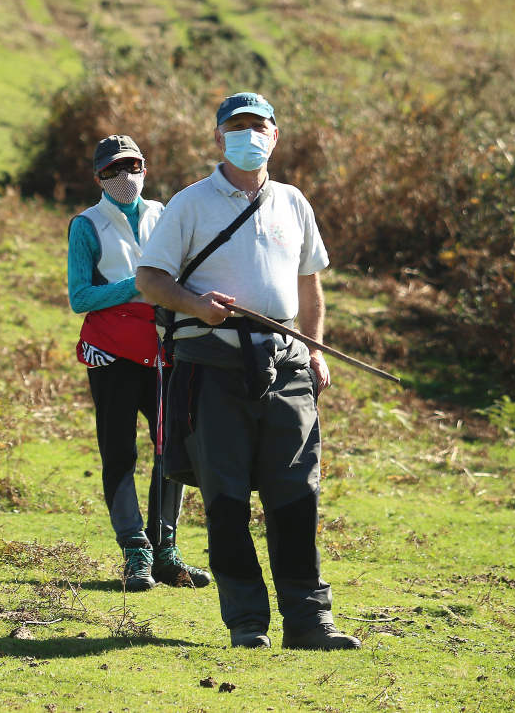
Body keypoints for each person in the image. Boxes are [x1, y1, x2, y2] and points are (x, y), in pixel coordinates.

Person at [136, 92, 361, 650]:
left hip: (286, 363)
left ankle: (309, 623)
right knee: (226, 498)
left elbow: (310, 285)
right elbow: (151, 280)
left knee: (296, 494)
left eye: (259, 126)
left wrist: (316, 350)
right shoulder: (188, 205)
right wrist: (194, 305)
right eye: (236, 126)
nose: (249, 135)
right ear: (218, 137)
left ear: (275, 135)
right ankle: (246, 624)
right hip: (212, 364)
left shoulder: (293, 203)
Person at [67, 134, 210, 591]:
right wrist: (138, 286)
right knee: (119, 452)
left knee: (172, 448)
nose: (123, 177)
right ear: (98, 178)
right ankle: (135, 553)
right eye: (111, 170)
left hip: (165, 349)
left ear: (145, 168)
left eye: (131, 166)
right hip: (111, 353)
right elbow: (80, 296)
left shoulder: (164, 214)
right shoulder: (86, 225)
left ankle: (166, 551)